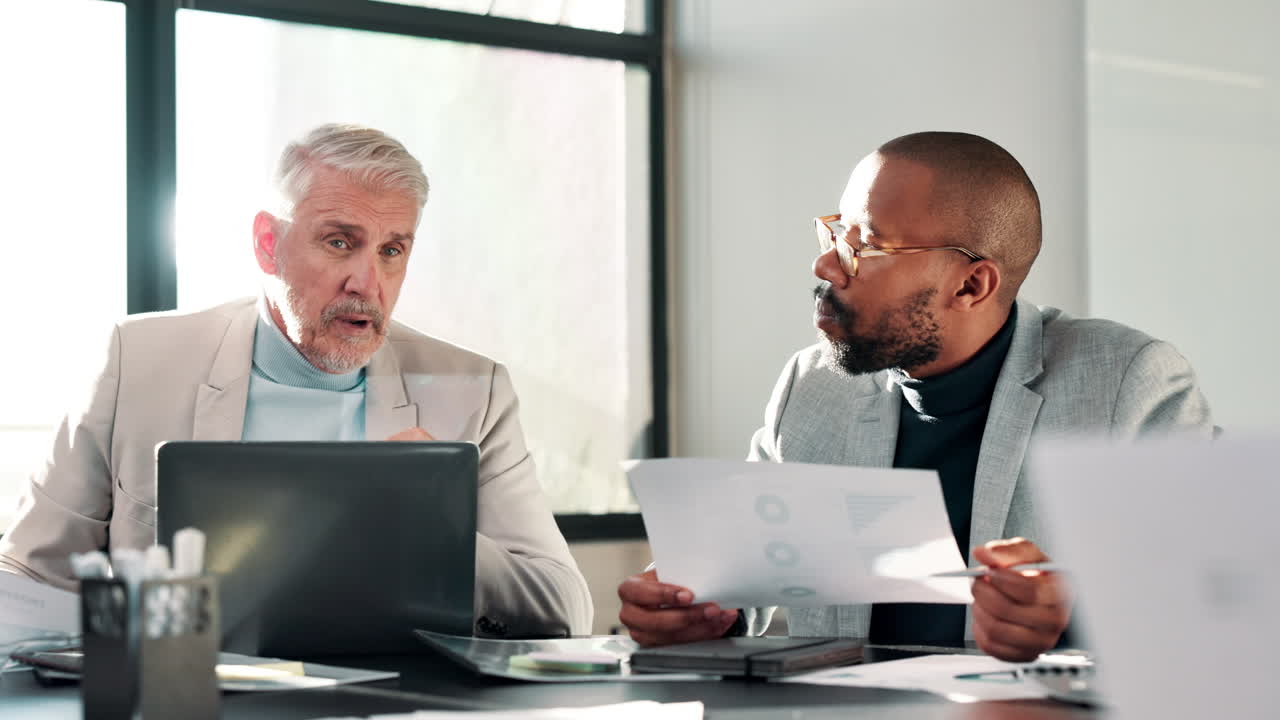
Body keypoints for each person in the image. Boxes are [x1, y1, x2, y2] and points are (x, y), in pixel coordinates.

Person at [618, 131, 1211, 661]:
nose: (827, 264)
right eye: (835, 234)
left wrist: (1074, 615)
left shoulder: (1125, 381)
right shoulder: (814, 384)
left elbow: (1214, 593)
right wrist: (692, 610)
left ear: (971, 284)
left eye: (866, 246)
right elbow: (748, 577)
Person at [0, 123, 592, 637]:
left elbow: (566, 608)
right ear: (268, 244)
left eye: (392, 250)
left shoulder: (474, 390)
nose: (368, 281)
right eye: (341, 242)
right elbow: (27, 574)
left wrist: (444, 538)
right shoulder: (138, 362)